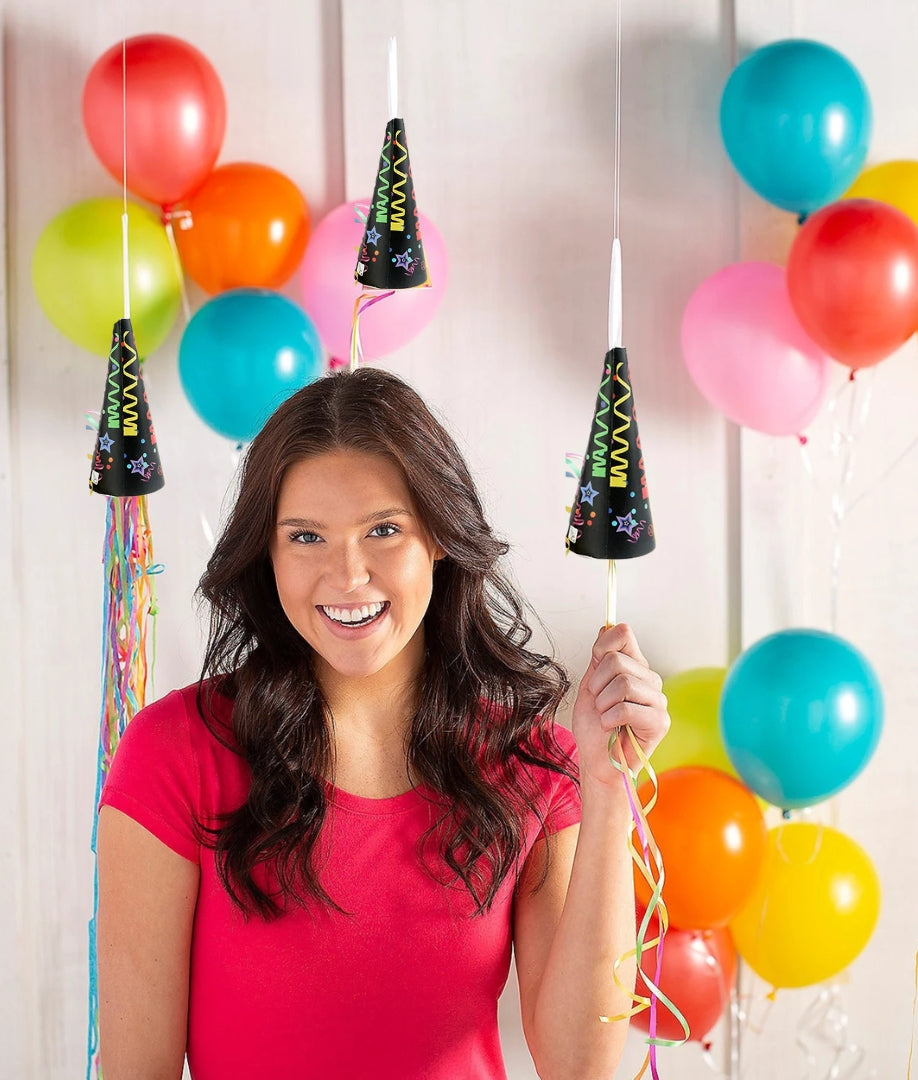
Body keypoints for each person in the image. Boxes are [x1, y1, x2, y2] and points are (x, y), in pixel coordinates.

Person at [96, 367, 670, 1080]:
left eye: (384, 530)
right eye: (306, 537)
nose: (348, 575)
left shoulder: (535, 763)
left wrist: (608, 788)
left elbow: (578, 1067)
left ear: (438, 536)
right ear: (266, 552)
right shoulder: (174, 753)